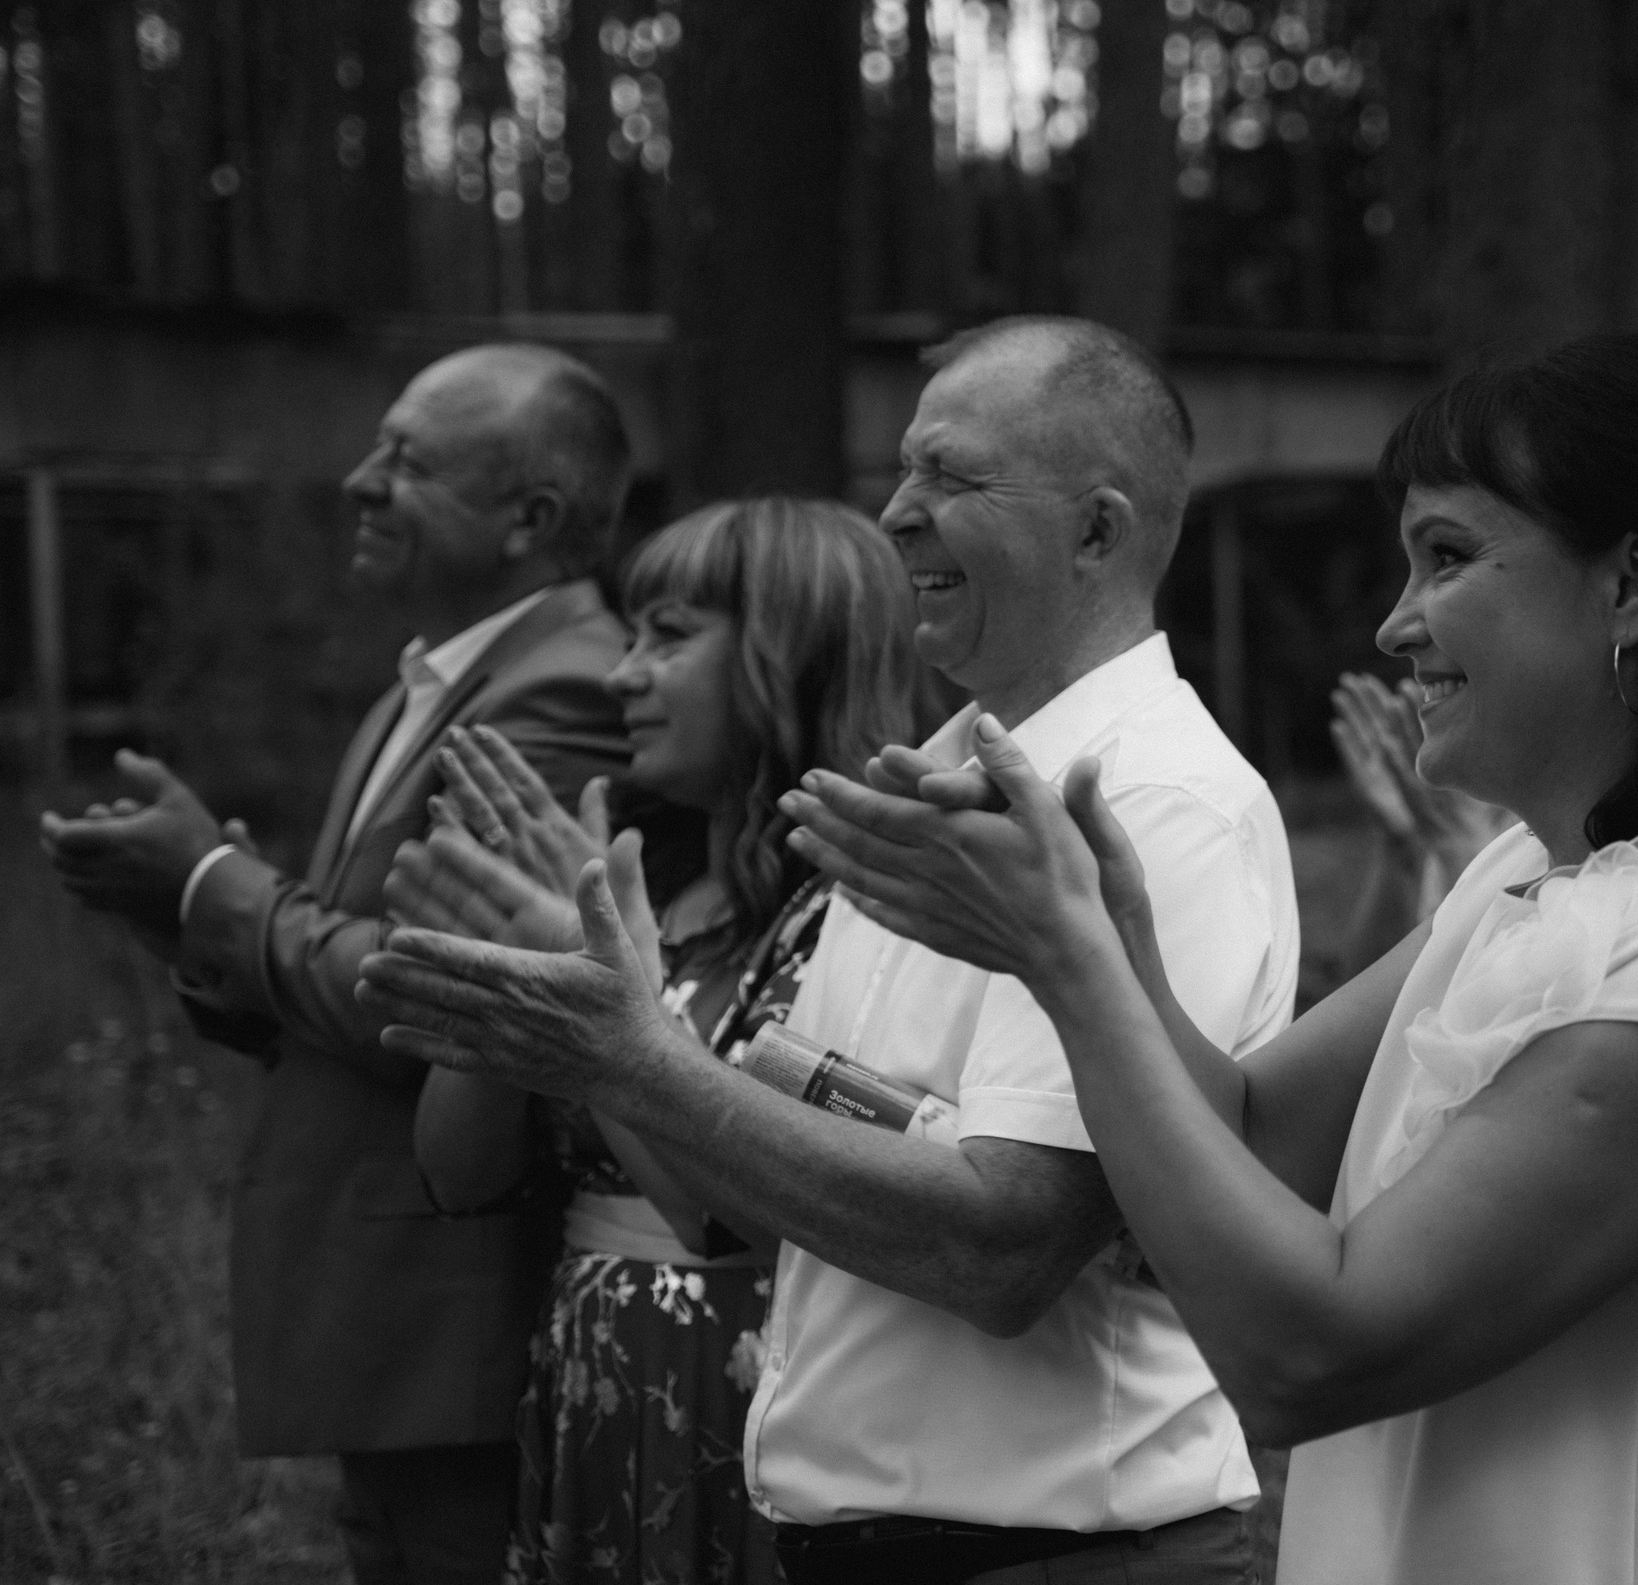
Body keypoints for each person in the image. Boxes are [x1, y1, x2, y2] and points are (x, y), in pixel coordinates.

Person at [779, 334, 1638, 1584]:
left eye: (1447, 556)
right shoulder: (1523, 876)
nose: (1393, 624)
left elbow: (1305, 1354)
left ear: (1632, 581)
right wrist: (1114, 938)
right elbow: (1251, 1139)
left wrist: (1069, 965)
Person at [359, 316, 1299, 1584]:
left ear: (1096, 529)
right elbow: (744, 1204)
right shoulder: (930, 778)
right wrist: (611, 1018)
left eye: (952, 477)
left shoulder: (1148, 801)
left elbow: (1006, 1243)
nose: (898, 514)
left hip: (1062, 1551)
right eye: (903, 470)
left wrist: (636, 1059)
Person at [42, 343, 639, 1585]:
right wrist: (187, 918)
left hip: (458, 1317)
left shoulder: (569, 685)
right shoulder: (425, 681)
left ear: (529, 520)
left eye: (408, 461)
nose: (361, 480)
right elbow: (335, 951)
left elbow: (449, 995)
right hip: (385, 1321)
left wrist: (214, 881)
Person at [382, 498, 923, 1585]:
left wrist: (594, 989)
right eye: (628, 636)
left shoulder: (866, 908)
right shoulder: (636, 873)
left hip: (758, 1381)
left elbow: (732, 1210)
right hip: (596, 1379)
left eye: (667, 637)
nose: (622, 674)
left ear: (787, 656)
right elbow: (457, 1171)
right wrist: (506, 971)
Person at [1326, 670, 1513, 976]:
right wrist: (1402, 845)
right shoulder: (1448, 804)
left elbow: (1521, 996)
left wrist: (1460, 848)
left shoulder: (1577, 828)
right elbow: (1364, 985)